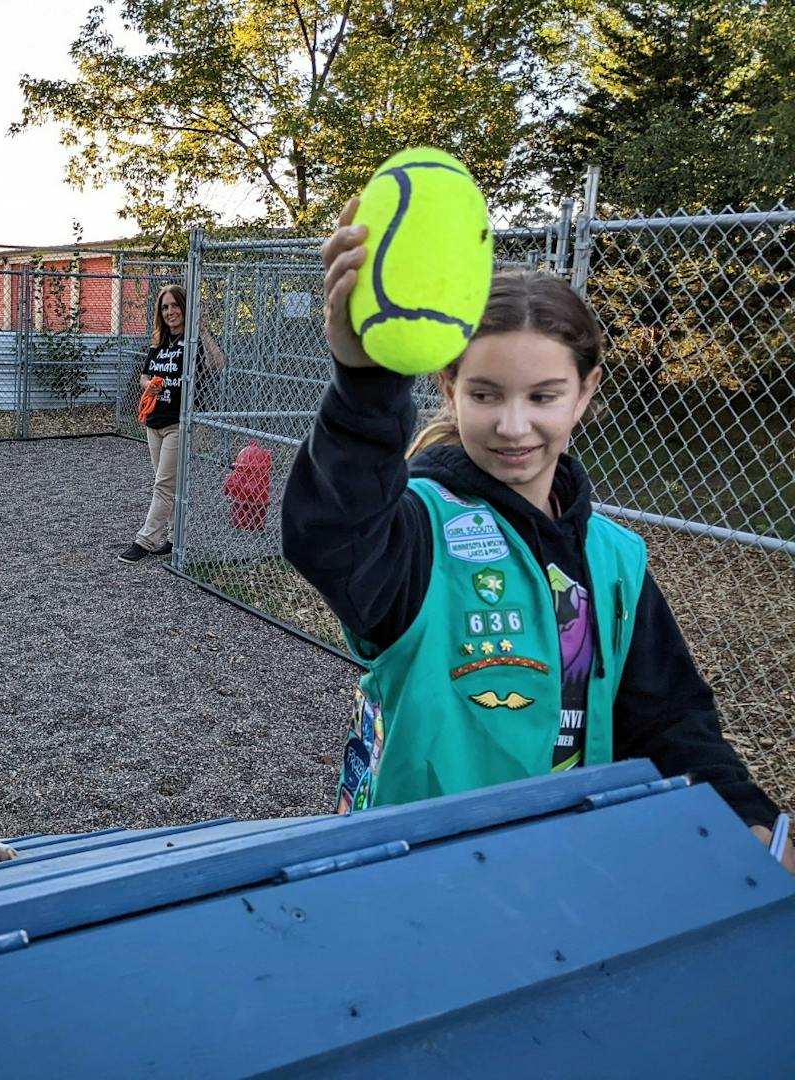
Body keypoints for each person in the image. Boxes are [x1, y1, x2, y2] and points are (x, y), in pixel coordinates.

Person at [281, 198, 793, 872]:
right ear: (450, 388)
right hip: (417, 876)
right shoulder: (419, 532)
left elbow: (669, 717)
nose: (514, 426)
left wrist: (748, 820)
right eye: (487, 394)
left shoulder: (615, 557)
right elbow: (332, 532)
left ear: (585, 393)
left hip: (569, 871)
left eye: (543, 396)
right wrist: (365, 380)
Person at [119, 284, 226, 563]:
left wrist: (201, 329)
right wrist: (149, 386)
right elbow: (144, 375)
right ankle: (175, 538)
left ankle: (145, 540)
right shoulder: (160, 341)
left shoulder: (195, 341)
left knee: (163, 485)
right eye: (165, 307)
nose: (170, 312)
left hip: (180, 423)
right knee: (169, 484)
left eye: (175, 305)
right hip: (155, 422)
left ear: (184, 308)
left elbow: (218, 364)